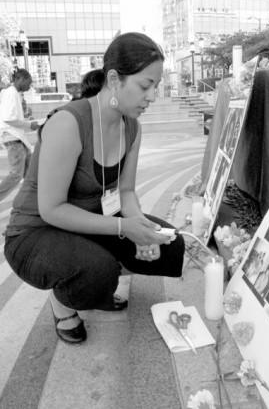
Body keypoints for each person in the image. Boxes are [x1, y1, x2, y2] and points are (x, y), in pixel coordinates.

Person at [4, 32, 185, 345]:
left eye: (157, 86)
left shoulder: (132, 126)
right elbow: (51, 209)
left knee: (171, 246)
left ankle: (92, 275)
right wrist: (122, 227)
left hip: (87, 223)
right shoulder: (69, 123)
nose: (153, 96)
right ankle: (65, 299)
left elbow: (126, 192)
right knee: (98, 272)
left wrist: (139, 225)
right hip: (35, 233)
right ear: (114, 80)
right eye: (146, 85)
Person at [0, 69, 39, 202]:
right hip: (13, 138)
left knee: (31, 172)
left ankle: (32, 200)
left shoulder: (13, 93)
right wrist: (29, 125)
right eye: (29, 83)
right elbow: (9, 118)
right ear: (21, 79)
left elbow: (11, 118)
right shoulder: (11, 93)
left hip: (17, 138)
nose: (29, 87)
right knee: (16, 174)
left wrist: (27, 119)